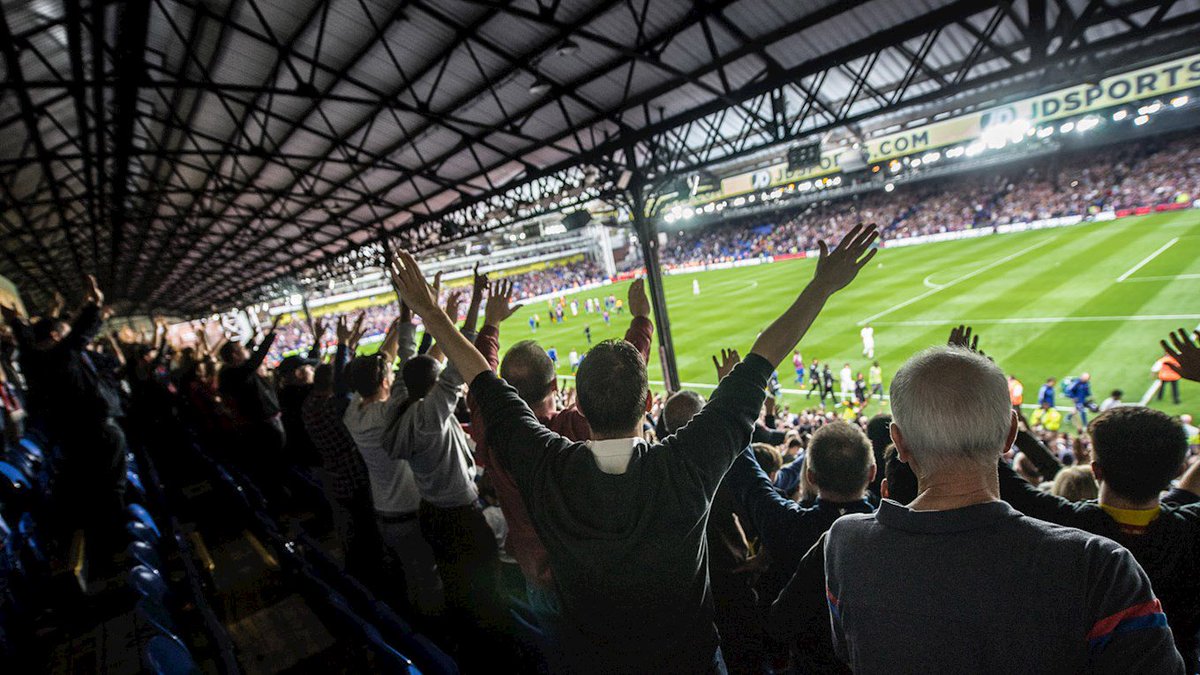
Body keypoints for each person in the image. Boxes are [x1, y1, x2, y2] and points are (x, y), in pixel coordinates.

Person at [391, 224, 880, 673]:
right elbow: (762, 359)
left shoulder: (543, 462)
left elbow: (479, 377)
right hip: (687, 661)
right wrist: (821, 285)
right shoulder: (687, 462)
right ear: (648, 402)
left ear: (577, 402)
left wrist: (430, 311)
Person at [822, 327, 1183, 673]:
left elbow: (848, 651)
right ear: (1010, 434)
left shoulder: (845, 544)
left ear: (898, 442)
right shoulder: (1101, 566)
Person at [467, 278, 653, 652]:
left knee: (566, 658)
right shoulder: (573, 427)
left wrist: (490, 326)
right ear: (554, 386)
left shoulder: (491, 424)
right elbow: (619, 384)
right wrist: (640, 321)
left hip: (538, 578)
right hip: (594, 577)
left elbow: (479, 377)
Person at [340, 310, 444, 619]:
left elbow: (382, 363)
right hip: (409, 512)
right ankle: (437, 636)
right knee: (429, 579)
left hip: (384, 513)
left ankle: (416, 627)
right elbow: (415, 367)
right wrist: (406, 318)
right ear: (385, 380)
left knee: (411, 578)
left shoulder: (352, 412)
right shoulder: (388, 413)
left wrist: (400, 324)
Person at [300, 314, 381, 585]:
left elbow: (335, 379)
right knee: (367, 534)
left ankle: (360, 573)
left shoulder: (309, 403)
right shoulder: (333, 409)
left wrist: (348, 346)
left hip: (337, 478)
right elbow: (343, 387)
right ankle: (372, 578)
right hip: (354, 479)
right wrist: (345, 345)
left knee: (353, 530)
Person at [218, 314, 286, 486]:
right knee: (278, 461)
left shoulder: (229, 373)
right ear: (235, 355)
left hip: (262, 424)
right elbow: (255, 359)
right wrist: (272, 333)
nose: (246, 350)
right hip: (266, 426)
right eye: (242, 349)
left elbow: (248, 355)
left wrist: (255, 337)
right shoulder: (236, 374)